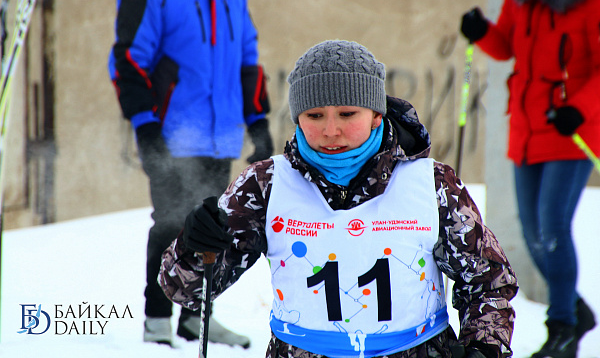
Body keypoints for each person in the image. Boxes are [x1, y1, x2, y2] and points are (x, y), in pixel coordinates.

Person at [158, 40, 518, 358]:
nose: (331, 131)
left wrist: (483, 348)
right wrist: (195, 246)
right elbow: (186, 290)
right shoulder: (265, 184)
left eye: (348, 114)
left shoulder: (432, 183)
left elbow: (488, 282)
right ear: (298, 118)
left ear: (376, 115)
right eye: (315, 116)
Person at [108, 0, 273, 347]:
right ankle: (157, 321)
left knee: (212, 226)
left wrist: (258, 122)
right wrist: (146, 127)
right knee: (170, 224)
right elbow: (128, 60)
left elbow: (247, 61)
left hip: (220, 136)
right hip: (171, 135)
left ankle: (197, 318)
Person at [459, 0, 599, 357]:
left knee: (552, 228)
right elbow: (506, 46)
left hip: (570, 131)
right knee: (533, 234)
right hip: (525, 130)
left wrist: (580, 110)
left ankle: (562, 328)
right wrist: (482, 32)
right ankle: (573, 309)